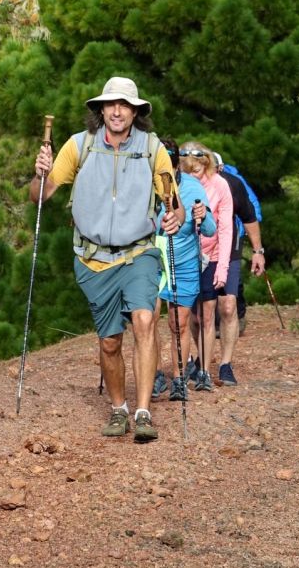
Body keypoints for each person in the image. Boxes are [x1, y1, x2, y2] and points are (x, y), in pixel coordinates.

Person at [30, 76, 184, 443]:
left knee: (145, 321)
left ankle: (144, 412)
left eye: (125, 105)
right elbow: (40, 196)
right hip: (93, 259)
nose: (117, 111)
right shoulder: (78, 146)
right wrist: (38, 173)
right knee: (110, 342)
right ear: (101, 110)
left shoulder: (151, 149)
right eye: (111, 104)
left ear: (136, 112)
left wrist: (175, 217)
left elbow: (171, 202)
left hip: (138, 253)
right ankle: (119, 409)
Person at [151, 138, 214, 403]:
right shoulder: (145, 185)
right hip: (152, 260)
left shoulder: (191, 186)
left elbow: (209, 229)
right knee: (146, 320)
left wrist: (202, 215)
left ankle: (178, 378)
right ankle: (153, 374)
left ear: (176, 164)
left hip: (184, 261)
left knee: (178, 322)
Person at [177, 141, 231, 392]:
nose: (192, 176)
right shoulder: (180, 185)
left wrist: (223, 269)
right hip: (187, 255)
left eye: (196, 171)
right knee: (188, 315)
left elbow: (225, 227)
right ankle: (189, 362)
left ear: (206, 164)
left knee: (208, 315)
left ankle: (205, 372)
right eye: (187, 171)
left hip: (213, 254)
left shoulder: (220, 185)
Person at [212, 151, 264, 385]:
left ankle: (225, 364)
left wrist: (256, 249)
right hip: (200, 246)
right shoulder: (192, 181)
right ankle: (199, 362)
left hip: (232, 239)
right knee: (196, 310)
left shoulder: (234, 182)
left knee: (228, 304)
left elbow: (251, 210)